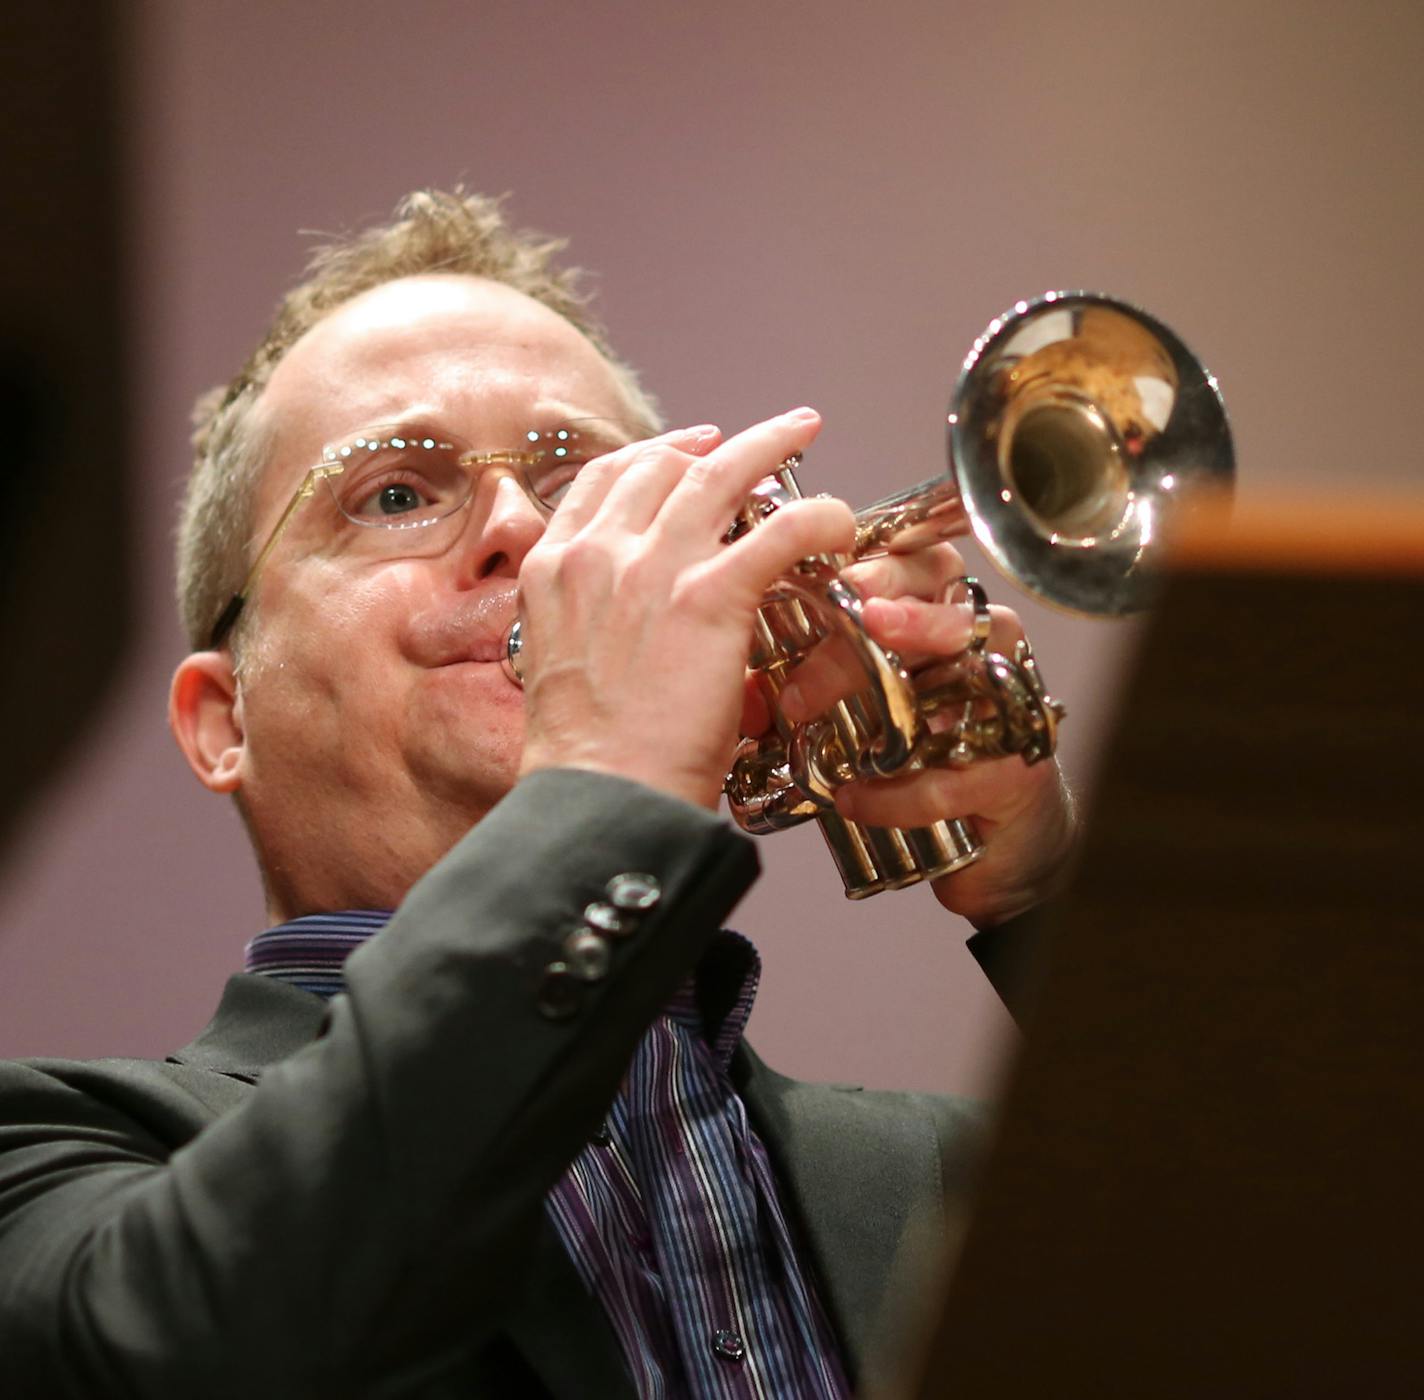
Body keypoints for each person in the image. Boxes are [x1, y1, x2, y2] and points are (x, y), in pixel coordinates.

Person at [0, 190, 1075, 1397]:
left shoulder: (960, 1174)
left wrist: (1042, 903)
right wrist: (607, 775)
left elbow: (1309, 1297)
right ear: (222, 716)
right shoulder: (49, 1155)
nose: (524, 529)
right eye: (395, 493)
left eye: (584, 490)